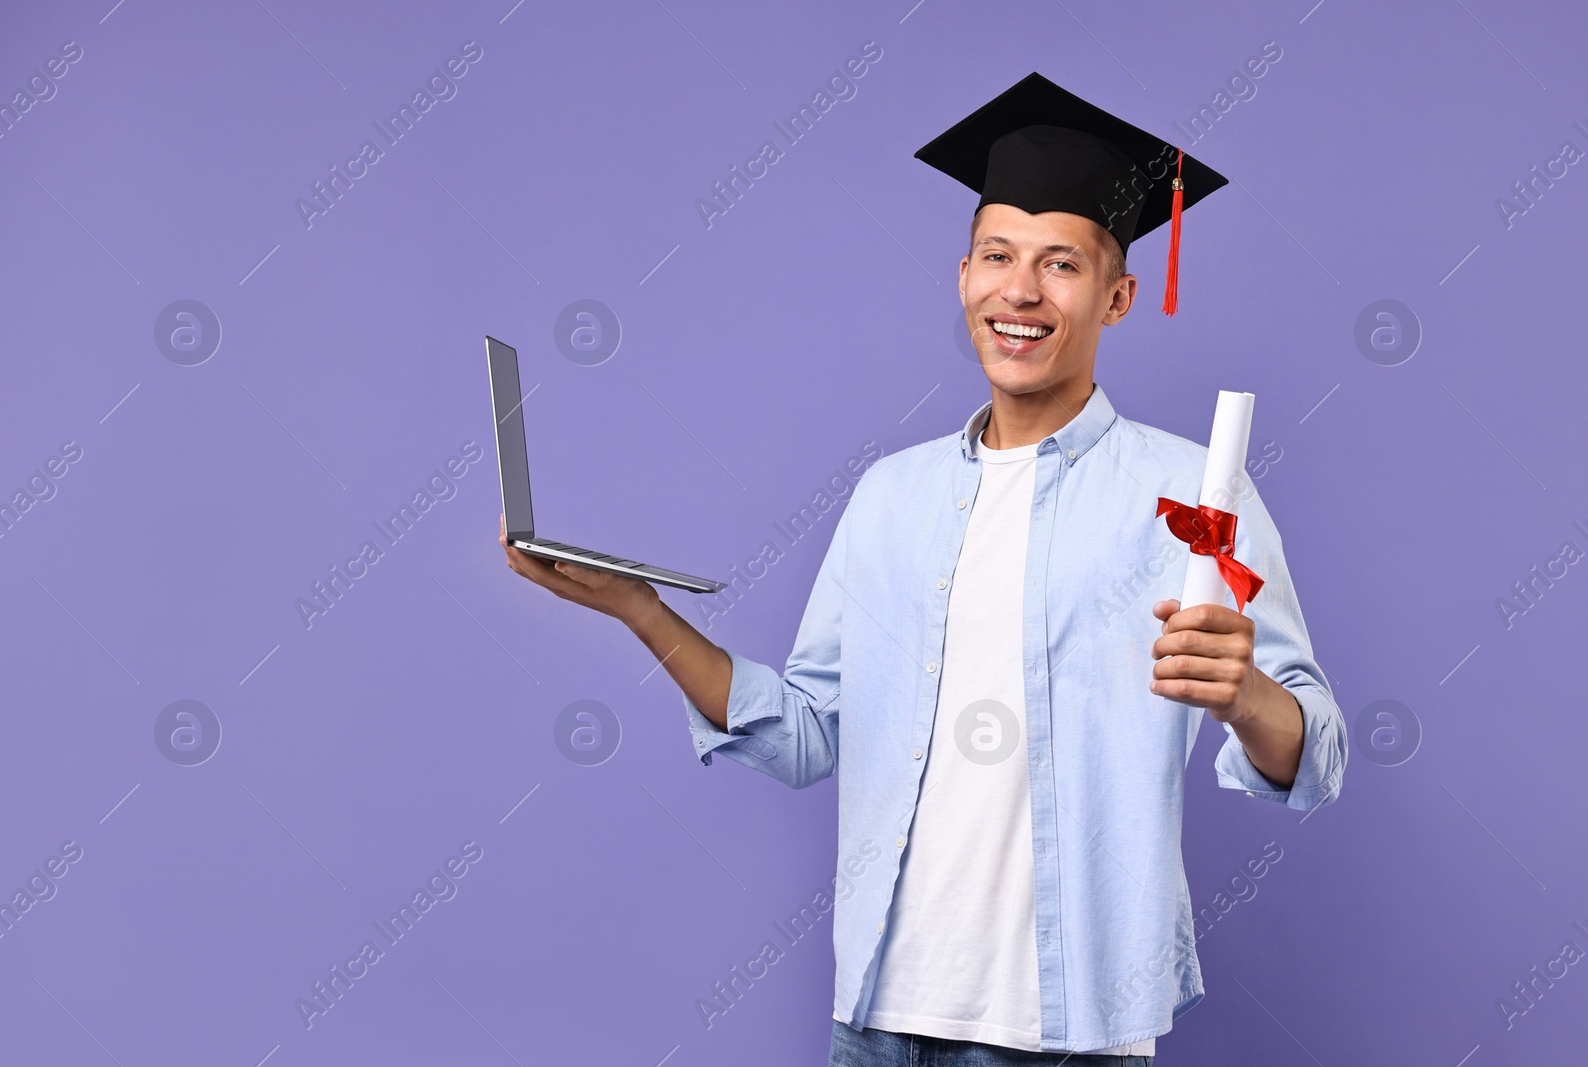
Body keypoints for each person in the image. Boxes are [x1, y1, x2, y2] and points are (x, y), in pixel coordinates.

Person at [501, 72, 1346, 1066]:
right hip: (876, 1016)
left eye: (1061, 263)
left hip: (1065, 1031)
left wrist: (1243, 693)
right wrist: (638, 609)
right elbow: (807, 734)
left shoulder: (1193, 495)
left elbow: (1314, 752)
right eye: (998, 255)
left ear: (1117, 297)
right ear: (962, 277)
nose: (1021, 290)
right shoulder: (888, 495)